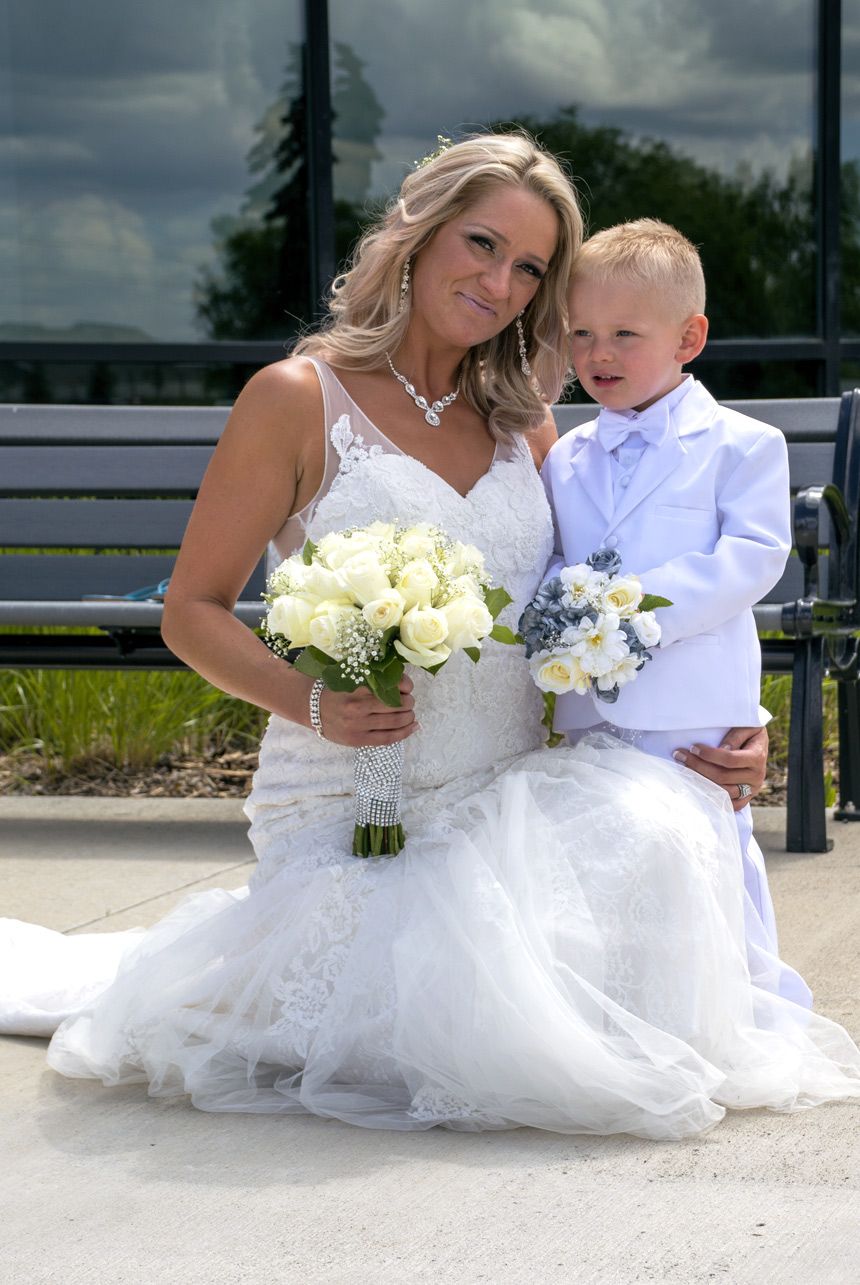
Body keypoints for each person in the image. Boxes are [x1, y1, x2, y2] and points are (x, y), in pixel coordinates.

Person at [2, 135, 858, 1139]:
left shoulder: (528, 425)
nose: (500, 282)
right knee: (439, 1013)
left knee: (657, 865)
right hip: (353, 797)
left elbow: (605, 607)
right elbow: (189, 609)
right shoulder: (294, 398)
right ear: (416, 233)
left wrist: (730, 718)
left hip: (510, 797)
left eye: (530, 267)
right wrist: (313, 700)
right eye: (481, 243)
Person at [541, 218, 810, 1007]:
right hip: (592, 708)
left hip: (692, 706)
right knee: (604, 859)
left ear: (689, 337)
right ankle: (616, 1004)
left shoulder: (743, 444)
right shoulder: (566, 453)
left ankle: (721, 1005)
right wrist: (566, 617)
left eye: (626, 333)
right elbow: (556, 558)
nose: (599, 354)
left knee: (699, 853)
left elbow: (751, 557)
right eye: (582, 332)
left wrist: (632, 614)